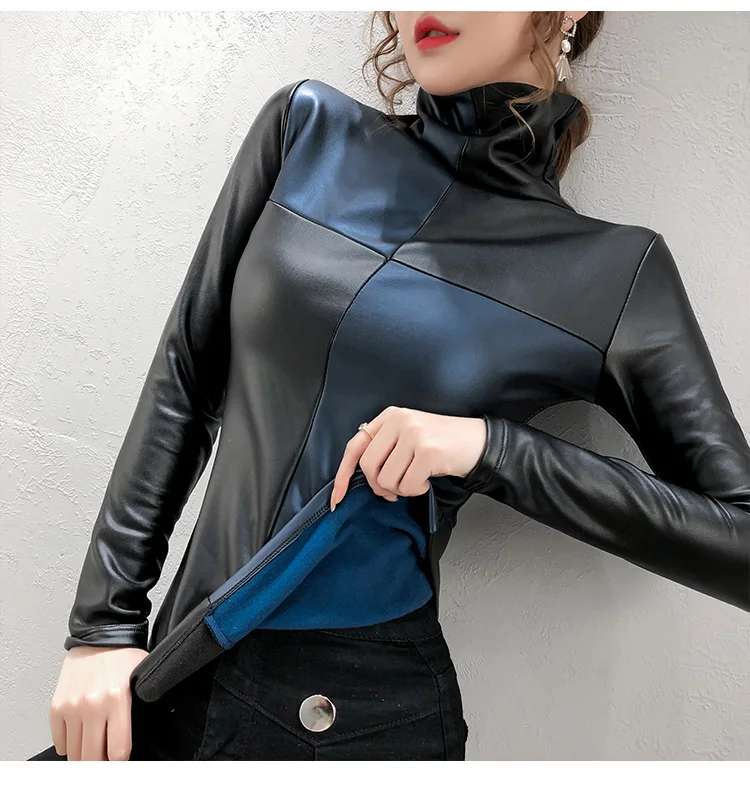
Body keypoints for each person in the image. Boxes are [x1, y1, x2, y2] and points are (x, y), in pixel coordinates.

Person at [29, 10, 750, 761]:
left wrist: (493, 449)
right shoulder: (307, 131)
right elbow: (186, 377)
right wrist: (103, 627)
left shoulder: (613, 273)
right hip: (183, 662)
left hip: (360, 715)